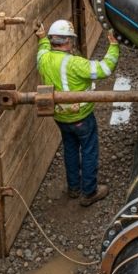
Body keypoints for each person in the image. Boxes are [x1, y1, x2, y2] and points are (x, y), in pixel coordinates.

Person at [36, 20, 119, 206]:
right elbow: (105, 69)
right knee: (89, 150)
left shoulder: (44, 59)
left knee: (70, 149)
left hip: (60, 118)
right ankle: (89, 192)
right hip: (81, 117)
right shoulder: (74, 63)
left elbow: (41, 49)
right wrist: (113, 46)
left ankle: (73, 187)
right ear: (68, 41)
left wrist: (41, 38)